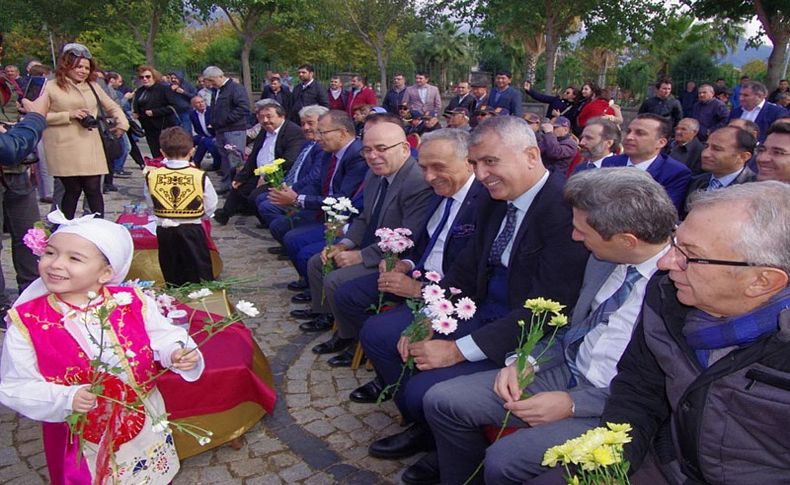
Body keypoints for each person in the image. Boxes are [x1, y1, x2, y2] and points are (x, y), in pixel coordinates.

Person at [362, 116, 589, 472]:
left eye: (491, 162)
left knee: (426, 389)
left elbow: (546, 311)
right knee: (390, 338)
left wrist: (455, 351)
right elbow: (466, 270)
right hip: (479, 309)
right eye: (475, 164)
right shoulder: (492, 197)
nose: (481, 174)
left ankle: (456, 455)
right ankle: (428, 430)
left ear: (531, 155)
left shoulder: (564, 210)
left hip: (522, 334)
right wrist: (431, 318)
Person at [423, 168, 676, 484]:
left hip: (613, 404)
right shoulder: (603, 258)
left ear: (627, 240)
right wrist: (525, 361)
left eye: (584, 231)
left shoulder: (680, 289)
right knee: (443, 400)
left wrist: (572, 404)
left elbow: (658, 391)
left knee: (503, 461)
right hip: (563, 370)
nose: (575, 237)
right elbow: (569, 325)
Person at [598, 182, 790, 484]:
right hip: (666, 463)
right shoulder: (666, 293)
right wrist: (610, 464)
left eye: (690, 255)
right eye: (676, 243)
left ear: (762, 281)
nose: (665, 262)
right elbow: (639, 388)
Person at [0, 209, 205, 484]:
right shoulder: (28, 322)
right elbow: (16, 385)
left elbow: (162, 335)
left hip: (143, 418)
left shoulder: (132, 301)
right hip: (81, 432)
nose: (56, 264)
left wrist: (176, 351)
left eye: (74, 258)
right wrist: (66, 398)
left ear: (106, 272)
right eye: (50, 253)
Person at [322, 128, 487, 369]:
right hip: (419, 273)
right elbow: (423, 243)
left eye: (439, 167)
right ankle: (374, 356)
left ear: (469, 164)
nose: (429, 177)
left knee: (377, 331)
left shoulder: (484, 203)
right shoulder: (440, 192)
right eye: (423, 168)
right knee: (348, 295)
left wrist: (419, 289)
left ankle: (392, 374)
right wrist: (405, 263)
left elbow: (471, 272)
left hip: (449, 291)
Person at [300, 118, 433, 334]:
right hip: (372, 244)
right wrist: (344, 244)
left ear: (404, 149)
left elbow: (408, 237)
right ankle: (326, 315)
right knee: (318, 261)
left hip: (394, 257)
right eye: (367, 150)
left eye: (381, 149)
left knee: (336, 280)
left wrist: (361, 256)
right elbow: (365, 217)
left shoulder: (417, 182)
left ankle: (349, 338)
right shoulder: (374, 173)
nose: (373, 156)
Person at [44, 43, 128, 219]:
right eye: (78, 66)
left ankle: (98, 229)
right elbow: (39, 116)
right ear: (66, 65)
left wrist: (122, 124)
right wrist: (69, 115)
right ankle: (63, 228)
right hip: (63, 146)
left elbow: (112, 106)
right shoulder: (51, 86)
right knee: (72, 190)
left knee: (93, 188)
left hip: (90, 145)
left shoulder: (93, 86)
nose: (83, 71)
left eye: (86, 68)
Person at [144, 127, 217, 285]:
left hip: (165, 229)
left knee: (172, 269)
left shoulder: (152, 175)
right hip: (192, 227)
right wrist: (200, 215)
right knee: (199, 271)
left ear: (162, 152)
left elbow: (150, 201)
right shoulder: (199, 175)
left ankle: (175, 299)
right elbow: (211, 204)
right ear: (192, 151)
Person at [213, 100, 305, 225]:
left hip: (279, 176)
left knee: (255, 196)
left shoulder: (292, 132)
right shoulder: (264, 131)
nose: (265, 120)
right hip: (261, 173)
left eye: (269, 116)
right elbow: (254, 155)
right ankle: (225, 214)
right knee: (239, 186)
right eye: (261, 118)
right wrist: (242, 177)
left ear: (281, 116)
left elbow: (289, 160)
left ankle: (267, 221)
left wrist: (267, 177)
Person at [602, 113, 691, 211]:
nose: (629, 137)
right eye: (628, 131)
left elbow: (663, 213)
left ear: (661, 142)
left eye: (640, 133)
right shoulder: (610, 163)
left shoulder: (675, 172)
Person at [682, 126, 757, 217]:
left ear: (743, 157)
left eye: (717, 149)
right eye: (706, 146)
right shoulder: (695, 182)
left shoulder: (756, 190)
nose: (705, 154)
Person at [201, 66, 251, 194]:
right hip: (221, 130)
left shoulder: (235, 88)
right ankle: (226, 184)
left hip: (234, 129)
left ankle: (235, 187)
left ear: (220, 76)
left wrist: (226, 119)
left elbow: (243, 108)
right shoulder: (217, 91)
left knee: (234, 159)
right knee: (224, 158)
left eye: (212, 81)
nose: (210, 84)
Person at [132, 65, 179, 158]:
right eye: (142, 77)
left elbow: (173, 106)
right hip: (148, 127)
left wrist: (155, 112)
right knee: (155, 152)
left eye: (147, 76)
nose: (145, 79)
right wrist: (136, 112)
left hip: (163, 126)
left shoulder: (163, 89)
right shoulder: (140, 91)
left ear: (153, 77)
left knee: (166, 152)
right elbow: (137, 105)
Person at [189, 95, 220, 170]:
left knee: (206, 142)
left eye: (202, 101)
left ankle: (197, 163)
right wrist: (201, 136)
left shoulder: (212, 111)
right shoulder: (192, 114)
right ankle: (187, 161)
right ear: (193, 105)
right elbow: (196, 128)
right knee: (188, 140)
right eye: (198, 103)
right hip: (203, 135)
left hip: (215, 136)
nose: (201, 104)